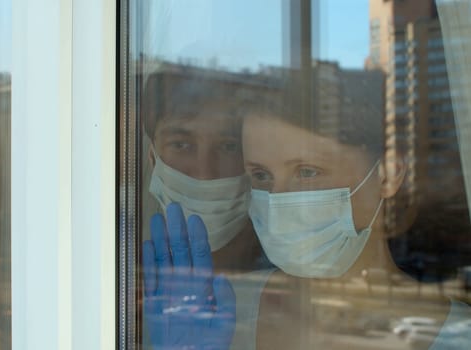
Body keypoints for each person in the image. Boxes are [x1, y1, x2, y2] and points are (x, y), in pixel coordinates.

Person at [143, 73, 471, 349]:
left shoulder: (458, 337)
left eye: (307, 172)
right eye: (262, 176)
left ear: (389, 173)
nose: (279, 200)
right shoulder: (216, 311)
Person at [142, 64, 267, 272]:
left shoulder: (286, 279)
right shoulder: (118, 269)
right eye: (181, 145)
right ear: (153, 159)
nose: (205, 173)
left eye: (229, 146)